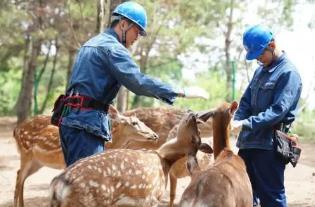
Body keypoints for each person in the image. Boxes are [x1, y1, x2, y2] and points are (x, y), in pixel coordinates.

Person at [57, 1, 207, 167]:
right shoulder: (113, 48)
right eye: (136, 31)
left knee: (75, 181)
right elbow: (138, 82)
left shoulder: (90, 44)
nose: (137, 37)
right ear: (123, 24)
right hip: (86, 124)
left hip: (70, 120)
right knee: (87, 185)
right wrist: (178, 91)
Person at [231, 25, 302, 207]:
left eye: (260, 54)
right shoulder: (260, 71)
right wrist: (236, 121)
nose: (259, 60)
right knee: (246, 195)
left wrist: (246, 123)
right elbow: (246, 100)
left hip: (269, 146)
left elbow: (278, 111)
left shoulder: (288, 73)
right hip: (248, 143)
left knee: (271, 196)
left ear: (271, 45)